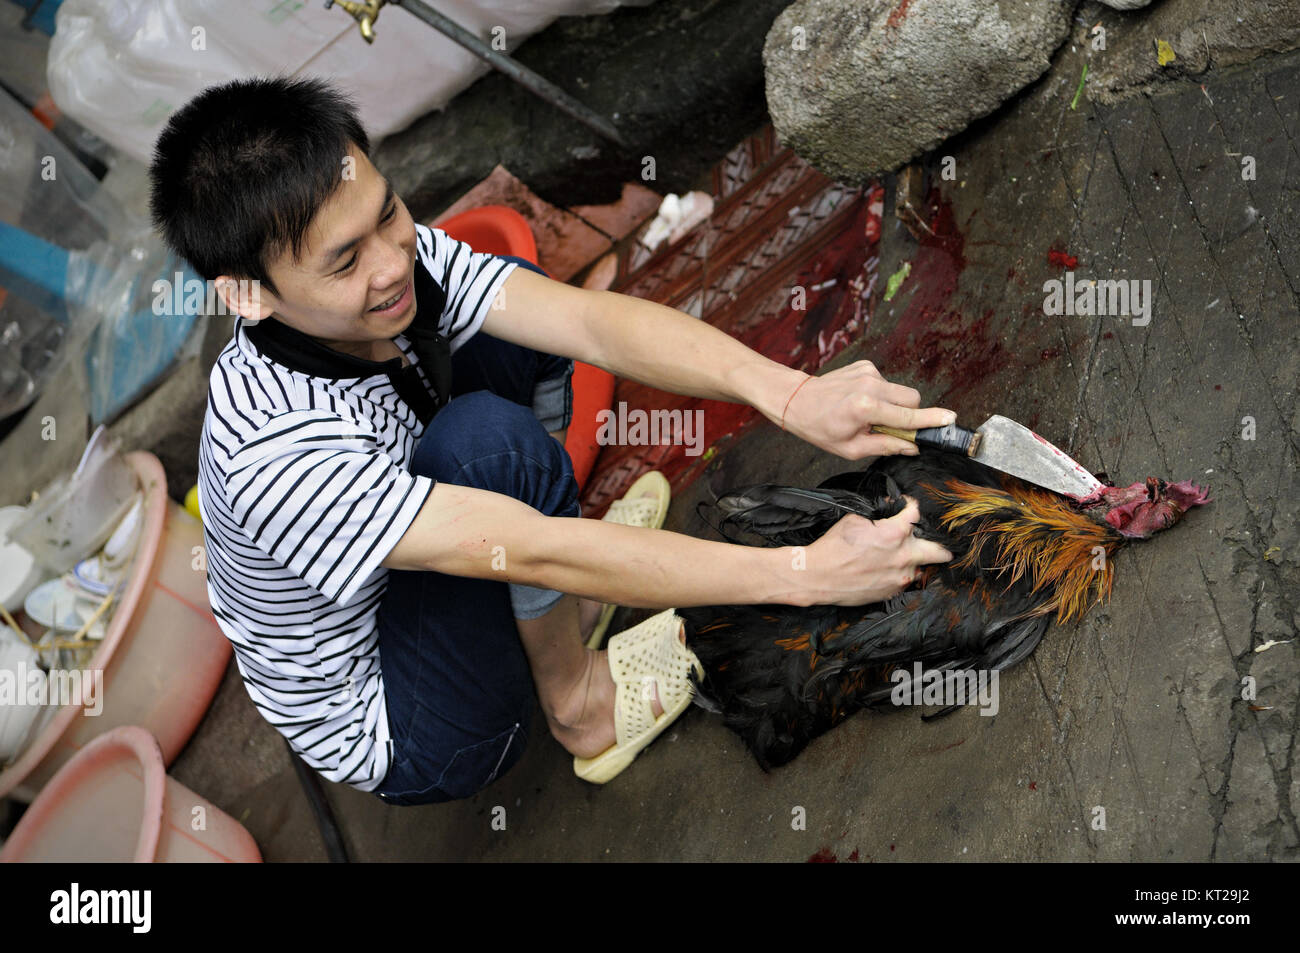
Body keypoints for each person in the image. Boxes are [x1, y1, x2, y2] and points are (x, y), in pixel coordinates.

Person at [149, 76, 954, 806]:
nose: (394, 262)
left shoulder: (392, 257)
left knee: (523, 328)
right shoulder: (272, 453)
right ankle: (576, 703)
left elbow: (585, 320)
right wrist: (804, 573)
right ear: (249, 295)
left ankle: (564, 613)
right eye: (346, 260)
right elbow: (529, 550)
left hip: (431, 552)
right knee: (487, 446)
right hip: (411, 721)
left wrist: (795, 393)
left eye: (388, 213)